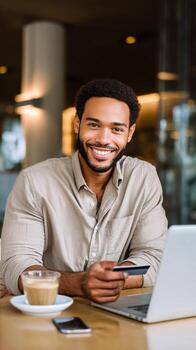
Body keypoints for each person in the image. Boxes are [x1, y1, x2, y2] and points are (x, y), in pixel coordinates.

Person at [0, 79, 167, 303]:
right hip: (48, 310)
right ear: (78, 125)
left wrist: (110, 280)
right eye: (94, 125)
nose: (104, 140)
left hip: (113, 314)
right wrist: (79, 283)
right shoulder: (34, 181)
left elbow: (155, 258)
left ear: (129, 133)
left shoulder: (143, 178)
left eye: (116, 129)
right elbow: (16, 265)